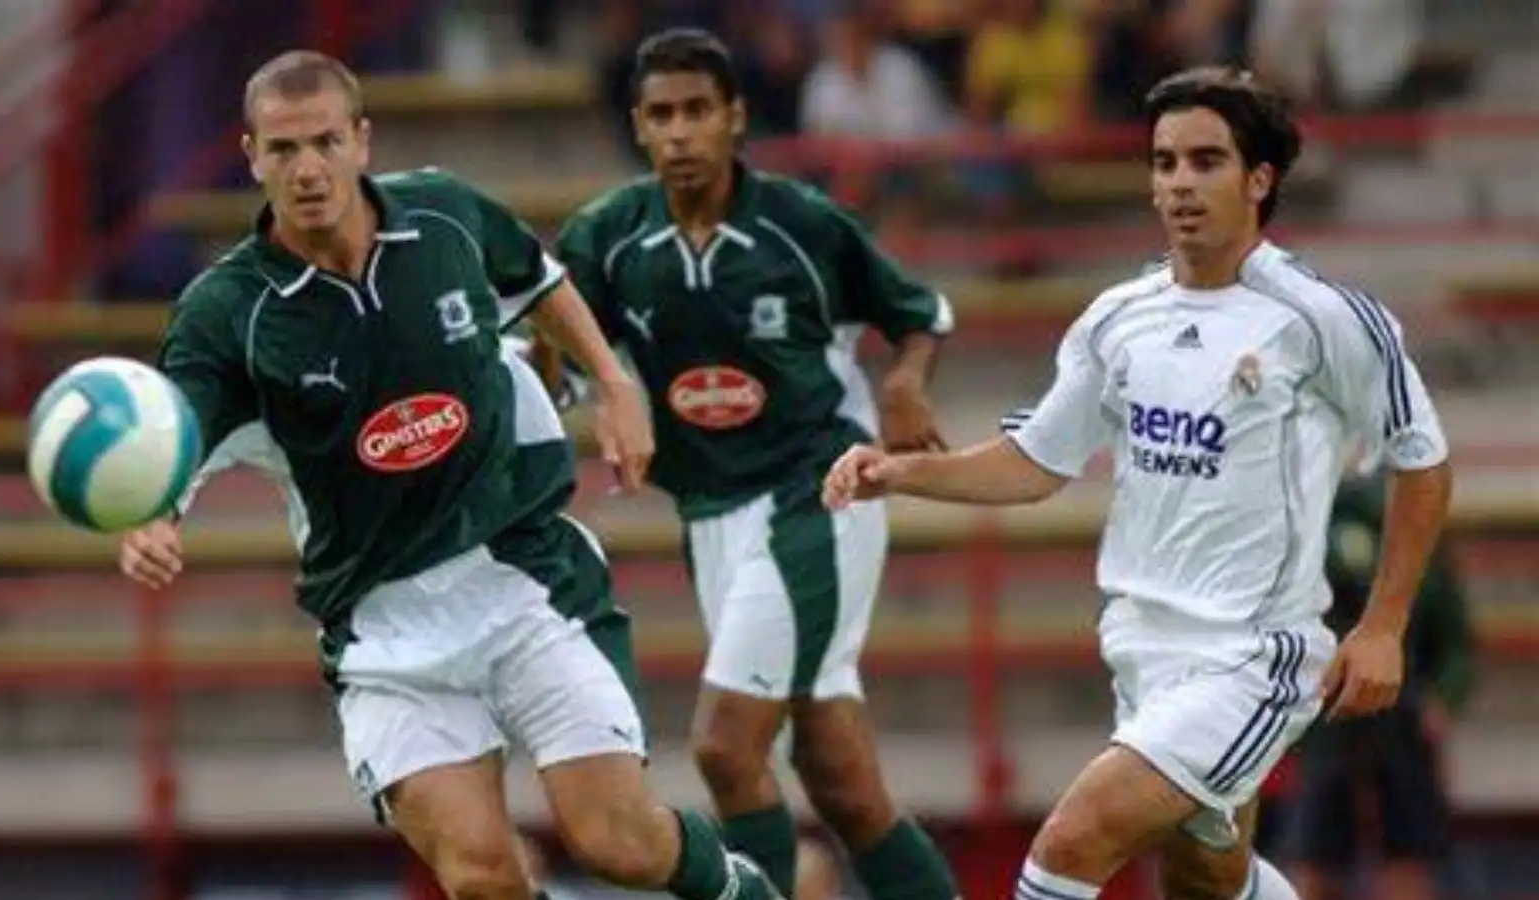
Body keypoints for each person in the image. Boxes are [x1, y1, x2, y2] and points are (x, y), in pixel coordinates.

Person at [116, 49, 784, 900]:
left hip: (523, 580)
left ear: (362, 140)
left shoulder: (444, 216)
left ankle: (742, 890)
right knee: (480, 875)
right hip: (386, 632)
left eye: (325, 142)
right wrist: (152, 516)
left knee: (619, 840)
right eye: (283, 151)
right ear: (251, 157)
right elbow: (173, 434)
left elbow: (538, 279)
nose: (308, 169)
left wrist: (614, 384)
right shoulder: (226, 313)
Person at [822, 65, 1455, 900]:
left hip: (1251, 658)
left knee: (1067, 847)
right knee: (1206, 879)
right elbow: (1038, 461)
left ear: (1258, 180)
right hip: (1141, 651)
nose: (1179, 184)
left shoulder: (1323, 318)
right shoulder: (1120, 319)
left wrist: (1382, 626)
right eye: (1164, 163)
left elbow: (1423, 456)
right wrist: (902, 472)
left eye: (1205, 162)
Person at [555, 28, 960, 900]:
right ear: (637, 125)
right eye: (660, 114)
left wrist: (907, 382)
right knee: (844, 784)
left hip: (817, 495)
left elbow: (920, 310)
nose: (679, 133)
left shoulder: (801, 225)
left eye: (697, 111)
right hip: (710, 515)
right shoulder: (608, 239)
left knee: (723, 748)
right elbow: (557, 352)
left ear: (735, 117)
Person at [1278, 466, 1473, 900]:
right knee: (1316, 846)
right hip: (1326, 716)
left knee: (1408, 845)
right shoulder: (1304, 534)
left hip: (1404, 715)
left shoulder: (1428, 550)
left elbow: (1455, 640)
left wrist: (1443, 700)